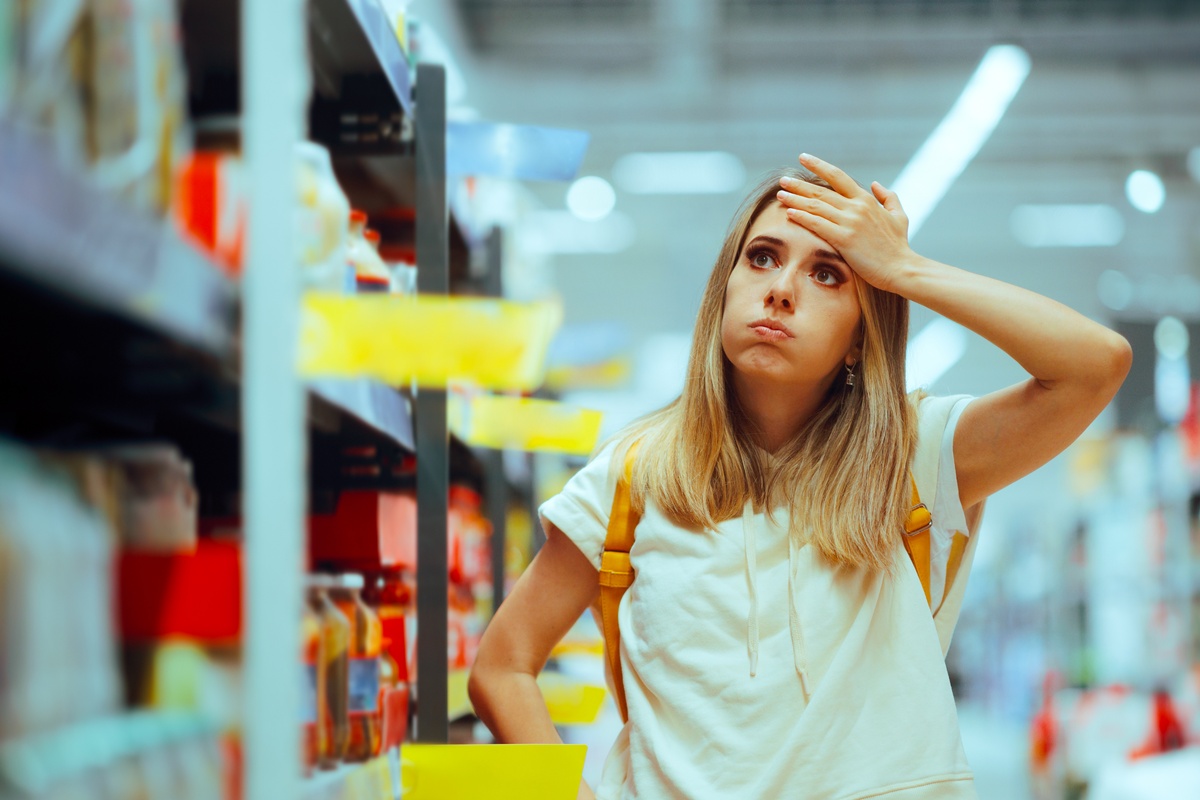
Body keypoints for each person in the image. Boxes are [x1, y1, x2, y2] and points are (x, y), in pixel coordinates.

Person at [468, 153, 1132, 799]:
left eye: (828, 274)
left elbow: (1094, 366)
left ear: (859, 339)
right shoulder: (636, 475)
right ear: (723, 289)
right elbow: (502, 667)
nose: (781, 289)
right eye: (761, 257)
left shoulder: (916, 456)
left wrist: (903, 268)